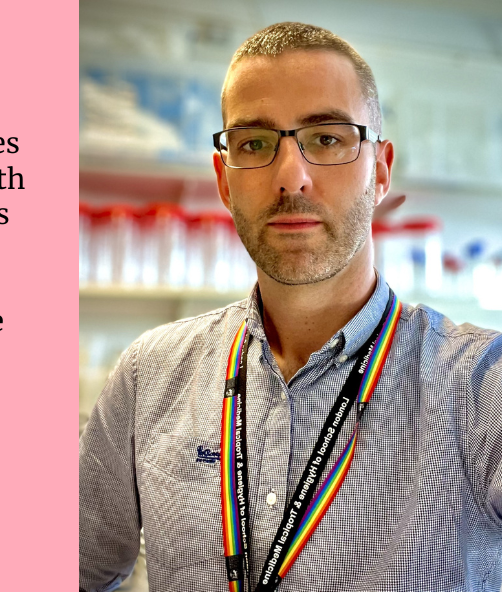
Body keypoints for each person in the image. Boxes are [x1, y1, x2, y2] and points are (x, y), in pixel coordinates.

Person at [79, 22, 502, 592]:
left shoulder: (479, 387)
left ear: (380, 171)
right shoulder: (149, 375)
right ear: (224, 181)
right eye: (255, 144)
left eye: (326, 139)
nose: (290, 178)